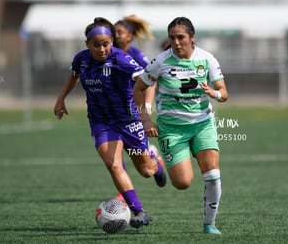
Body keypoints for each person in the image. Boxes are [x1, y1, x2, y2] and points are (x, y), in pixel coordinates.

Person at [54, 17, 167, 229]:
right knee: (113, 164)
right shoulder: (82, 59)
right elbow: (74, 75)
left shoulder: (122, 60)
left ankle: (156, 162)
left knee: (146, 171)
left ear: (111, 42)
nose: (101, 49)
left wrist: (146, 113)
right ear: (87, 44)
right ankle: (139, 211)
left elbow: (149, 82)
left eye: (105, 44)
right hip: (102, 122)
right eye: (96, 44)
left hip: (129, 121)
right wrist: (61, 98)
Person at [133, 17, 228, 234]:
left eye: (181, 37)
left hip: (202, 124)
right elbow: (138, 89)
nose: (176, 42)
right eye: (172, 38)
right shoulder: (161, 62)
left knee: (212, 175)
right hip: (172, 129)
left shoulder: (207, 59)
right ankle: (161, 159)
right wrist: (146, 119)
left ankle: (209, 224)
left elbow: (224, 93)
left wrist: (213, 93)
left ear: (192, 37)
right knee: (182, 182)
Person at [114, 14, 164, 171]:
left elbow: (151, 81)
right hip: (113, 107)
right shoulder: (106, 54)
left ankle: (152, 156)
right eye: (112, 32)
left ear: (130, 36)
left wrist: (147, 107)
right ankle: (123, 194)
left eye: (119, 32)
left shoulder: (136, 55)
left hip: (133, 107)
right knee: (115, 151)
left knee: (143, 166)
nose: (115, 35)